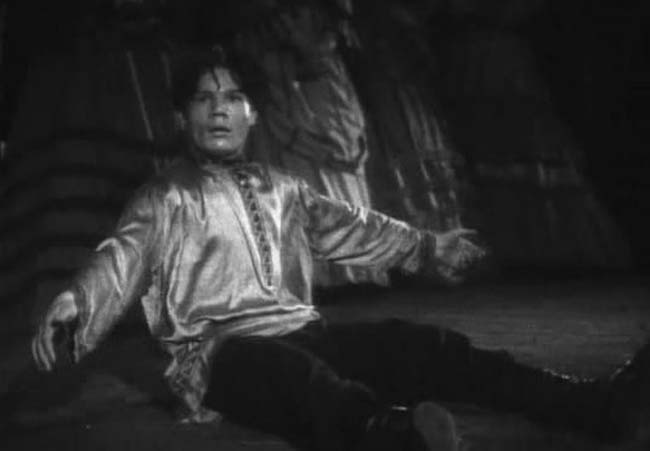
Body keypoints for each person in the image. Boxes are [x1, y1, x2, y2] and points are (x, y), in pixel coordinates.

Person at [32, 50, 647, 451]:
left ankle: (588, 405)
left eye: (233, 97)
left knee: (422, 345)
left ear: (252, 114)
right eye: (203, 97)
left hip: (303, 331)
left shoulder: (283, 188)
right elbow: (122, 254)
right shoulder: (164, 196)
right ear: (180, 118)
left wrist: (427, 246)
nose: (219, 108)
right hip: (220, 356)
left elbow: (353, 225)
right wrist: (75, 302)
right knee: (298, 379)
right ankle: (393, 436)